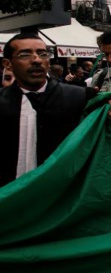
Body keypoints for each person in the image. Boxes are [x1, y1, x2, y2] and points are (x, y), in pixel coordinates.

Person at [0, 34, 98, 187]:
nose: (37, 60)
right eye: (25, 54)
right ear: (8, 64)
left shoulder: (80, 97)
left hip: (61, 196)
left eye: (43, 54)